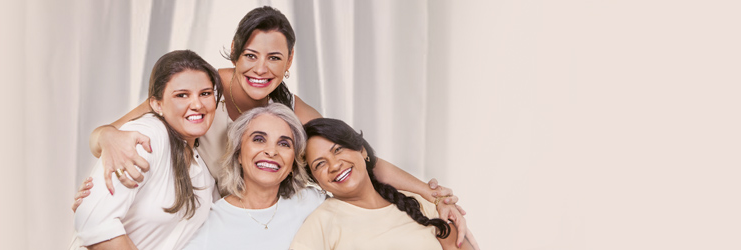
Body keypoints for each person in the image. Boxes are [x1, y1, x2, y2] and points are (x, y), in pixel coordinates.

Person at [76, 6, 472, 245]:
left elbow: (357, 156)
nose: (261, 69)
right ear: (235, 51)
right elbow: (124, 125)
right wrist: (108, 137)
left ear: (290, 61)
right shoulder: (202, 86)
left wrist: (431, 192)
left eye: (274, 58)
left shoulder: (288, 107)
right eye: (250, 55)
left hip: (233, 214)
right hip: (203, 214)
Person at [73, 50, 221, 250]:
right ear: (156, 104)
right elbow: (95, 223)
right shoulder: (146, 137)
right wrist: (105, 135)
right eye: (182, 95)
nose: (197, 104)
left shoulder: (201, 167)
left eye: (205, 93)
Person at [290, 118, 479, 250]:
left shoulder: (420, 202)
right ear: (317, 182)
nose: (334, 165)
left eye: (338, 149)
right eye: (320, 164)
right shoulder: (320, 222)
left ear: (362, 151)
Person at [182, 104, 327, 249]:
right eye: (258, 139)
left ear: (293, 163)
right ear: (238, 153)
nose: (271, 151)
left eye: (284, 143)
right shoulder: (209, 222)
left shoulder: (312, 201)